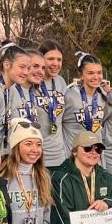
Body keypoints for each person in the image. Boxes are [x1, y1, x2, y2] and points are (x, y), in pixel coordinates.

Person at [62, 53, 111, 157]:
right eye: (90, 73)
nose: (96, 77)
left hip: (94, 156)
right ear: (81, 75)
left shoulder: (104, 97)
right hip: (73, 159)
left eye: (99, 73)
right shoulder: (69, 96)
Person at [37, 41, 68, 169]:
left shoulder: (60, 82)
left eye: (59, 59)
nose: (55, 63)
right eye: (50, 59)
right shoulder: (31, 83)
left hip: (59, 157)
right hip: (37, 157)